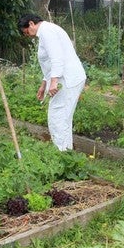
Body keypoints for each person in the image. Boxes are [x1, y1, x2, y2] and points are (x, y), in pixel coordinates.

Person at [17, 14, 86, 151]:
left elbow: (57, 58)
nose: (28, 35)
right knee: (63, 117)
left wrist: (53, 82)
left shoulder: (47, 31)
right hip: (67, 78)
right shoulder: (46, 32)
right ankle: (65, 151)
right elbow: (49, 64)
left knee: (57, 117)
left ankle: (61, 153)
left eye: (26, 32)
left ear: (31, 24)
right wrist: (44, 85)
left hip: (67, 79)